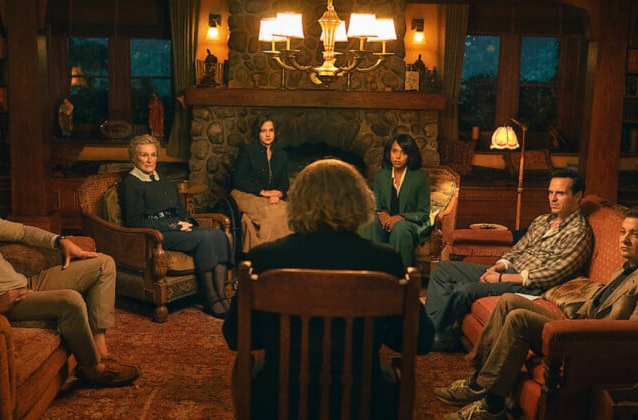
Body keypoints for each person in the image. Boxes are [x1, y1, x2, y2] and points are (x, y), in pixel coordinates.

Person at [222, 159, 434, 419]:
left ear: (298, 202)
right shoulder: (384, 260)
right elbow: (421, 340)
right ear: (359, 202)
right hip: (364, 404)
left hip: (279, 403)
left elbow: (235, 336)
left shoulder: (263, 258)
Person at [435, 207, 638, 420]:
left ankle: (492, 405)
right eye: (623, 232)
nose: (624, 240)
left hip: (593, 342)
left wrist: (578, 327)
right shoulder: (628, 267)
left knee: (519, 319)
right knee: (509, 301)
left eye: (636, 235)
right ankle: (479, 381)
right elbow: (597, 304)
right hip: (581, 327)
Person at [0, 156, 139, 387]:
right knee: (70, 301)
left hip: (27, 284)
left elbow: (22, 232)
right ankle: (92, 368)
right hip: (3, 301)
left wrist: (60, 240)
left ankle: (100, 348)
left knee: (103, 263)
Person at [425, 167, 593, 346]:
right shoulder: (543, 220)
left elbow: (553, 274)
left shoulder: (579, 232)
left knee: (465, 290)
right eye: (550, 192)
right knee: (443, 269)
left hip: (529, 286)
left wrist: (501, 278)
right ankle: (437, 332)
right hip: (508, 272)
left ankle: (429, 335)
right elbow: (518, 249)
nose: (552, 198)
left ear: (578, 196)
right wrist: (500, 265)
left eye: (560, 193)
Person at [118, 134, 231, 318]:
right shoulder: (130, 184)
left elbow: (180, 209)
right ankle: (211, 299)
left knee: (217, 235)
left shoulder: (164, 181)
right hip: (157, 235)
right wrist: (174, 225)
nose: (150, 160)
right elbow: (135, 221)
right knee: (206, 237)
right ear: (133, 158)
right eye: (144, 155)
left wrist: (188, 222)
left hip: (177, 229)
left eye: (153, 155)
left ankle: (221, 297)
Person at [361, 134, 431, 268]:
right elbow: (376, 207)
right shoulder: (381, 177)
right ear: (389, 153)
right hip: (386, 222)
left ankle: (401, 277)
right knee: (369, 223)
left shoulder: (419, 178)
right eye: (394, 151)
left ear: (410, 155)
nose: (398, 157)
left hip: (410, 224)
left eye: (403, 152)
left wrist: (400, 217)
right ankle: (373, 274)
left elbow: (423, 213)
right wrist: (381, 214)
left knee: (400, 228)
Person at [231, 114, 291, 253]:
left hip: (270, 197)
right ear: (258, 133)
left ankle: (280, 256)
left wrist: (279, 193)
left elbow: (284, 182)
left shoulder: (282, 155)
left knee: (288, 212)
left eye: (271, 130)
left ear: (275, 132)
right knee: (271, 215)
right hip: (245, 194)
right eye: (264, 131)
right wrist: (263, 192)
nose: (268, 134)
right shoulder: (248, 150)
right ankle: (267, 256)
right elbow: (238, 179)